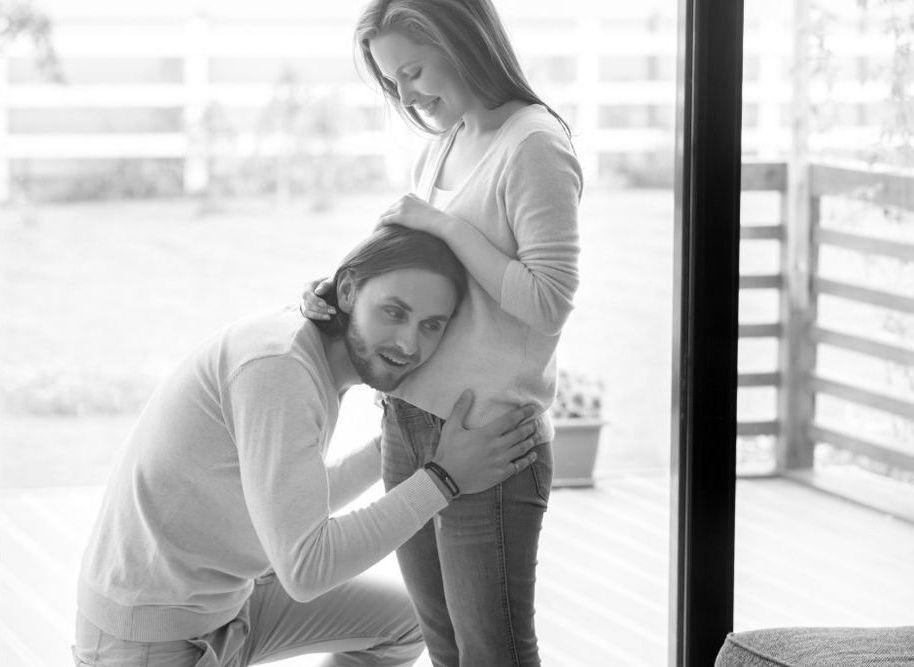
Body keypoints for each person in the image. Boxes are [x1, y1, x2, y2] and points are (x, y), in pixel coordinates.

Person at [73, 225, 541, 667]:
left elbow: (293, 502)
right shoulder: (279, 369)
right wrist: (442, 479)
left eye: (431, 325)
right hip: (149, 637)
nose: (408, 343)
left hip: (226, 604)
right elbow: (306, 568)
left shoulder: (311, 352)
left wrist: (395, 447)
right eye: (394, 312)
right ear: (347, 291)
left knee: (403, 625)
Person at [301, 1, 583, 665]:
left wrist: (446, 225)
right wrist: (338, 289)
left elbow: (548, 300)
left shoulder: (533, 143)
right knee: (445, 646)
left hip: (488, 437)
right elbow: (421, 272)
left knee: (494, 653)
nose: (406, 94)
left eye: (414, 70)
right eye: (392, 82)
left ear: (462, 39)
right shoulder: (446, 144)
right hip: (410, 423)